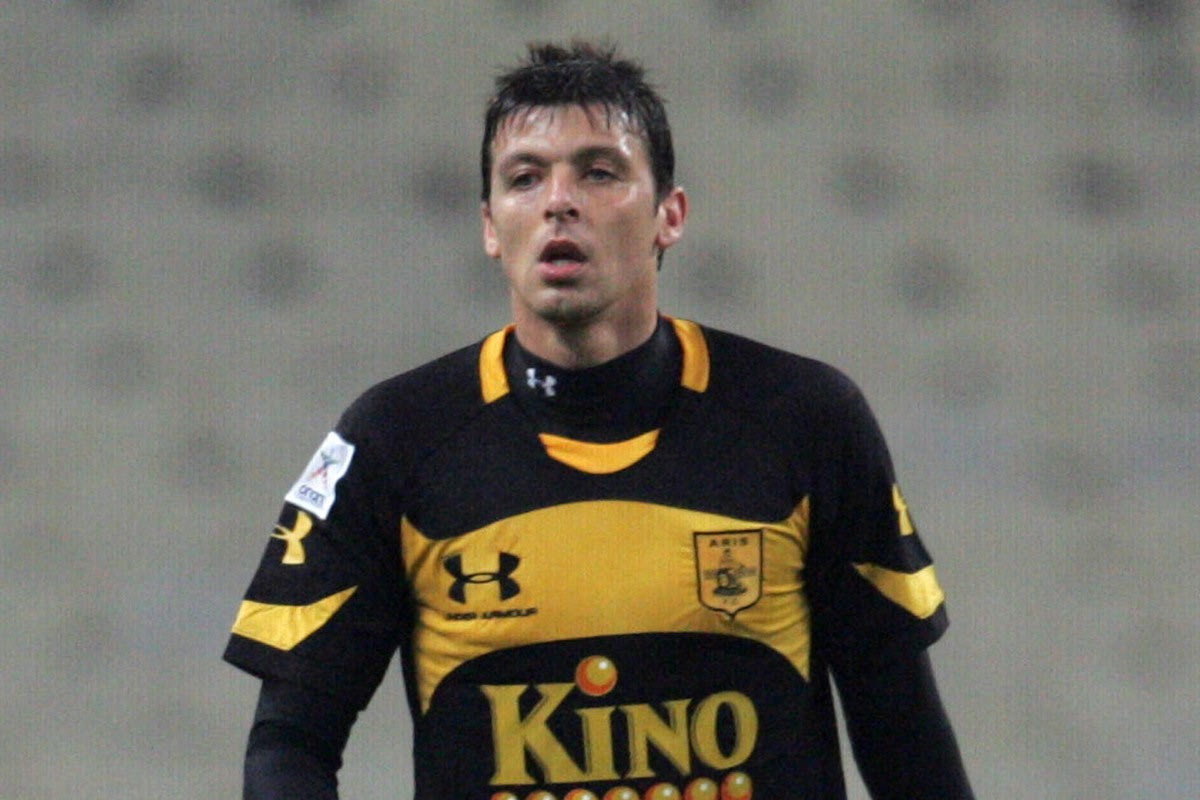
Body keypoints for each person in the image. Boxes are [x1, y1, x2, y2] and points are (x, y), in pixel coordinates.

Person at [224, 41, 975, 800]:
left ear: (668, 216)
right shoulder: (395, 440)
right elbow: (290, 745)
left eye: (599, 172)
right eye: (525, 178)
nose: (558, 200)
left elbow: (902, 733)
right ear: (490, 227)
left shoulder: (804, 420)